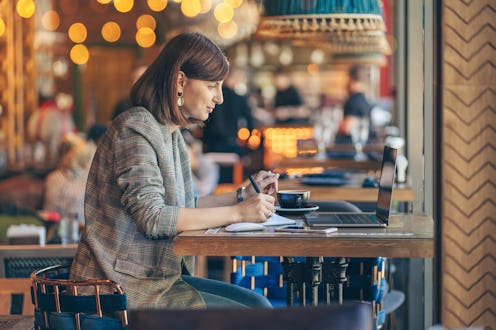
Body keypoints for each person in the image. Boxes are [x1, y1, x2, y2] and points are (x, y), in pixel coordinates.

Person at [70, 33, 279, 310]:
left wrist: (241, 196)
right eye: (212, 86)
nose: (219, 98)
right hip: (115, 289)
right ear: (181, 81)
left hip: (157, 279)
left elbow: (182, 207)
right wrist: (239, 213)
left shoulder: (170, 133)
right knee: (255, 312)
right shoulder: (135, 128)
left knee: (258, 304)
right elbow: (154, 217)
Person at [43, 132, 96, 226]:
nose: (87, 162)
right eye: (84, 158)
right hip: (65, 232)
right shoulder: (55, 179)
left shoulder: (86, 177)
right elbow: (50, 214)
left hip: (85, 231)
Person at [201, 66, 254, 156]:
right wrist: (247, 143)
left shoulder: (213, 96)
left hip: (211, 144)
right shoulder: (240, 99)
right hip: (231, 144)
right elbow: (250, 122)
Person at [336, 65, 373, 141]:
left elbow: (347, 128)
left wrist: (334, 126)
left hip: (349, 148)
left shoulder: (354, 100)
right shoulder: (362, 99)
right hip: (361, 145)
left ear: (350, 78)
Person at [181, 128, 219, 196]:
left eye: (183, 152)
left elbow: (204, 191)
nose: (181, 158)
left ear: (193, 149)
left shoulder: (207, 163)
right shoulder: (180, 168)